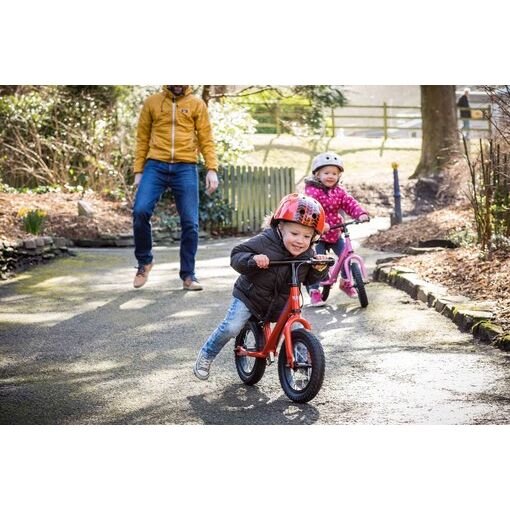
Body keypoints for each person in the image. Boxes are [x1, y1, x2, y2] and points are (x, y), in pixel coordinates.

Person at [193, 193, 330, 380]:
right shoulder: (265, 241)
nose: (300, 240)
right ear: (280, 227)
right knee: (232, 327)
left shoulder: (307, 253)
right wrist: (253, 260)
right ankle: (207, 354)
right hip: (250, 297)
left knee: (295, 327)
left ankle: (302, 364)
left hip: (281, 304)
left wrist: (318, 267)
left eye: (307, 236)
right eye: (294, 233)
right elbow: (236, 255)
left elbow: (309, 279)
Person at [132, 85, 219, 291]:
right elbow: (142, 137)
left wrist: (211, 168)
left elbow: (206, 138)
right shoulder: (152, 102)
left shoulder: (196, 104)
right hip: (155, 165)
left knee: (190, 222)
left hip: (186, 167)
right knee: (140, 210)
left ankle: (188, 275)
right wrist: (138, 171)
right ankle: (144, 262)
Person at [304, 152, 369, 306]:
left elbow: (349, 203)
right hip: (318, 234)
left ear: (339, 176)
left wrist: (360, 214)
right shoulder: (312, 191)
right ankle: (314, 291)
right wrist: (320, 224)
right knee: (317, 262)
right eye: (326, 173)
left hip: (335, 231)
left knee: (346, 255)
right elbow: (310, 209)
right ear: (317, 175)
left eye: (334, 173)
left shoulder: (339, 191)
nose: (330, 176)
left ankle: (346, 282)